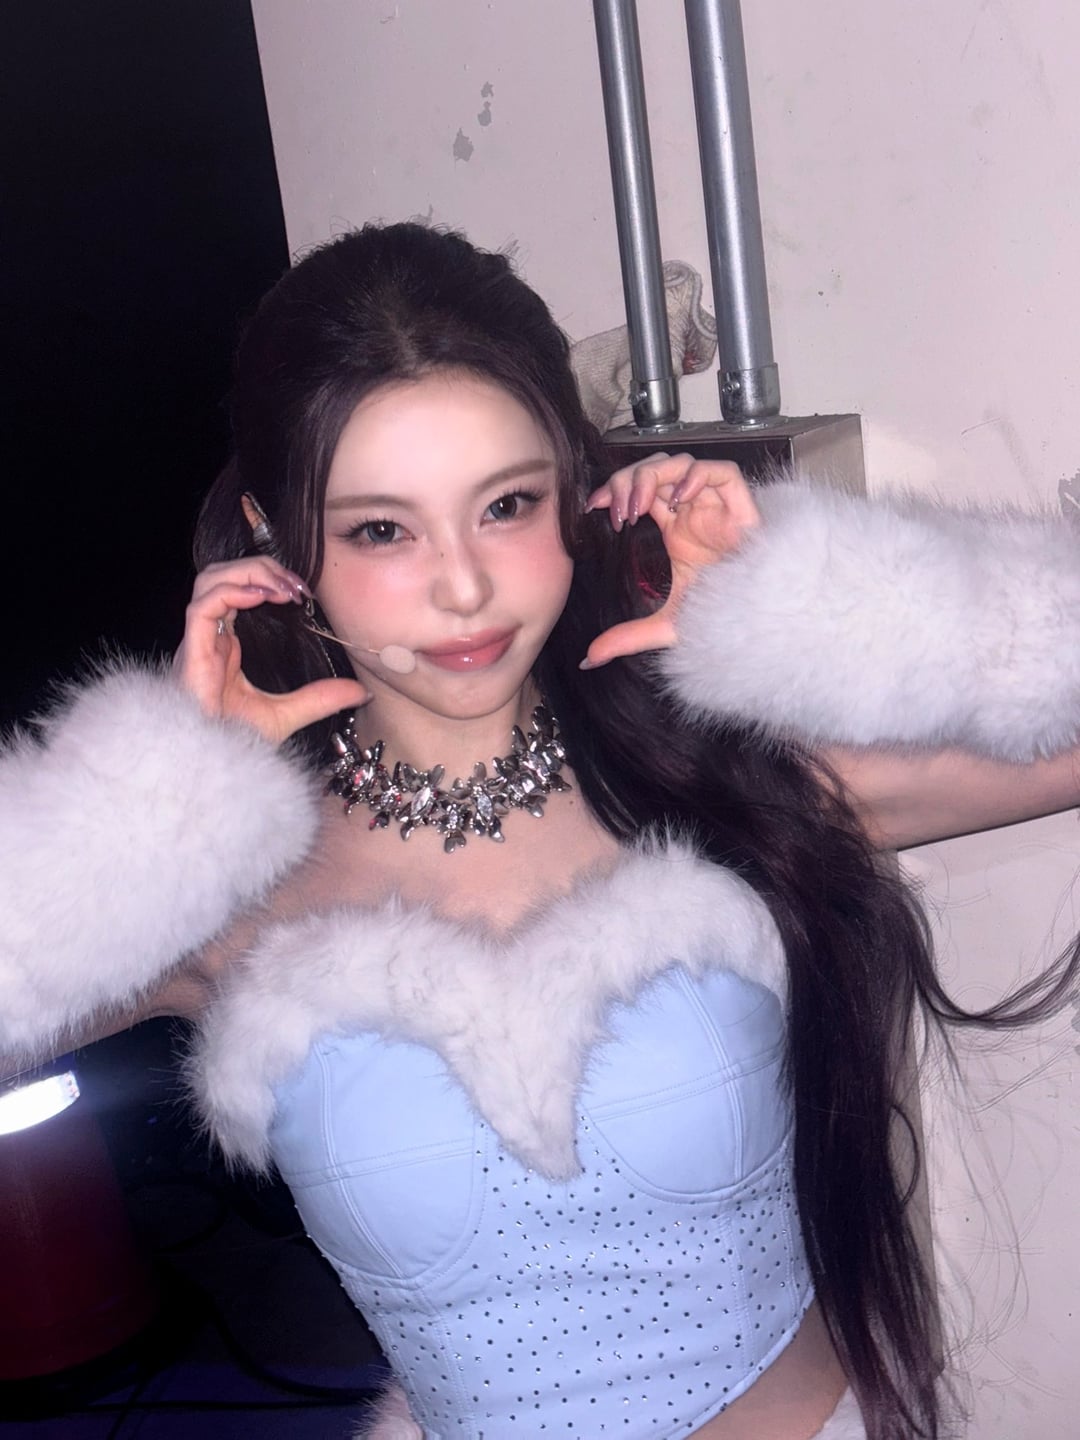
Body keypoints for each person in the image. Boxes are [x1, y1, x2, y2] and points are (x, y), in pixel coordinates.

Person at [3, 222, 1080, 1440]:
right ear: (274, 537)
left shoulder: (731, 784)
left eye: (507, 505)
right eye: (380, 530)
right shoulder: (218, 892)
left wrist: (820, 603)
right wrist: (142, 808)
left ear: (574, 489)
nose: (465, 588)